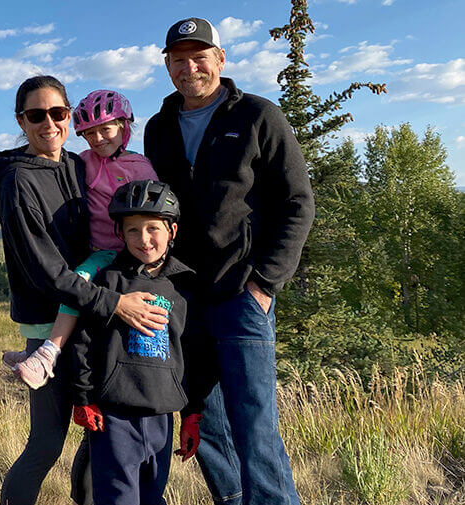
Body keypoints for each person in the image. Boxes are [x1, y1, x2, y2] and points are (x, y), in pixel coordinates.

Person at [144, 17, 315, 505]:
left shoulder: (259, 116)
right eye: (179, 59)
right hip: (184, 297)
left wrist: (265, 284)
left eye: (200, 56)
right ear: (168, 66)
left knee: (254, 426)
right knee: (206, 423)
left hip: (242, 293)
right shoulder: (158, 129)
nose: (190, 67)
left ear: (220, 59)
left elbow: (298, 203)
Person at [0, 75, 170, 505]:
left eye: (57, 113)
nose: (48, 123)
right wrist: (115, 303)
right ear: (21, 121)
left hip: (94, 314)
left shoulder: (74, 164)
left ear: (70, 117)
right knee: (47, 444)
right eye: (35, 115)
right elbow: (47, 271)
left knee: (99, 433)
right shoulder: (17, 183)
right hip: (54, 315)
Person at [1, 89, 159, 390]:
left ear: (124, 127)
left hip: (125, 250)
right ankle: (44, 349)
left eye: (106, 130)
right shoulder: (82, 161)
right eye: (89, 134)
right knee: (79, 285)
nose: (98, 139)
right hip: (96, 248)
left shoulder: (141, 167)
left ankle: (47, 353)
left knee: (81, 282)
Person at [70, 179, 213, 505]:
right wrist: (83, 396)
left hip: (162, 416)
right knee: (118, 499)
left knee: (152, 497)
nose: (144, 239)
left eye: (153, 229)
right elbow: (83, 341)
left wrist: (192, 414)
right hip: (114, 418)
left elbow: (195, 352)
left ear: (172, 230)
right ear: (119, 234)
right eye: (132, 230)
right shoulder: (109, 280)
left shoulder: (185, 286)